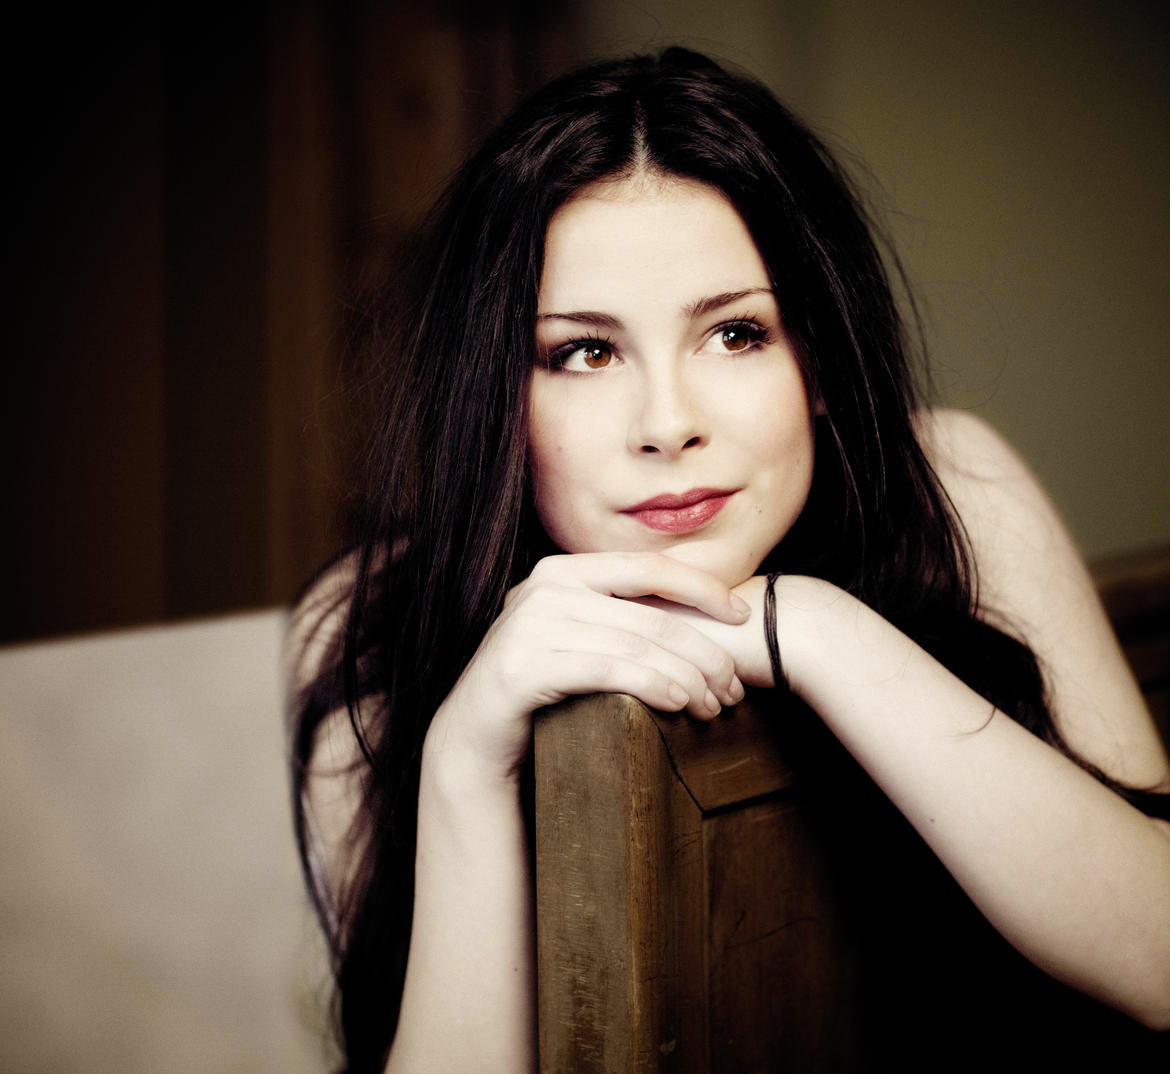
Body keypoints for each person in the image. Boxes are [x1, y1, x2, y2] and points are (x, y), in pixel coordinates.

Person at [288, 48, 1170, 1073]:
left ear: (821, 358)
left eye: (737, 334)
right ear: (496, 396)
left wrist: (812, 628)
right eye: (585, 352)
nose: (668, 424)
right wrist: (464, 764)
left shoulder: (953, 489)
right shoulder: (367, 627)